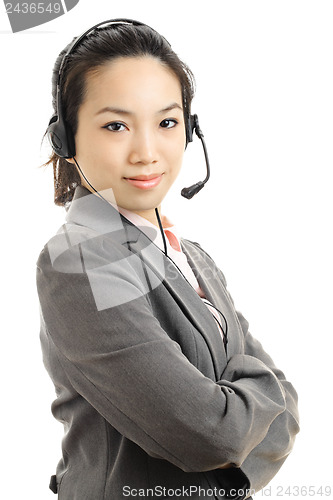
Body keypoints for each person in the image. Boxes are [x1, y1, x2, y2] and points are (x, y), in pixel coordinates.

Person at [36, 19, 300, 500]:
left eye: (167, 122)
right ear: (67, 139)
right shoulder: (82, 259)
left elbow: (288, 415)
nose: (146, 152)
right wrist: (256, 405)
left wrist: (245, 413)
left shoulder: (192, 257)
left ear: (190, 131)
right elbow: (208, 435)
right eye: (116, 125)